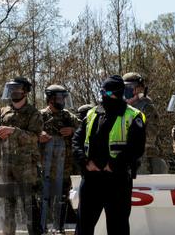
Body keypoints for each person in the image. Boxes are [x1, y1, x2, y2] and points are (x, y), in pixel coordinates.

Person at [72, 75, 146, 235]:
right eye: (103, 92)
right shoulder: (92, 113)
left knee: (118, 227)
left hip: (117, 179)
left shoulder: (133, 115)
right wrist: (84, 161)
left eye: (108, 93)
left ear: (119, 93)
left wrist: (113, 165)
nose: (104, 96)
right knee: (83, 227)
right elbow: (76, 141)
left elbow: (136, 147)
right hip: (91, 178)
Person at [0, 76, 44, 235]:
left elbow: (35, 137)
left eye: (17, 88)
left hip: (26, 167)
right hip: (5, 166)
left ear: (25, 91)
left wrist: (14, 131)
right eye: (11, 88)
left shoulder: (33, 113)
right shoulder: (1, 112)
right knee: (7, 205)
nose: (14, 91)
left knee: (29, 205)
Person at [39, 84, 79, 234]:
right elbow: (30, 133)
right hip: (45, 166)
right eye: (59, 98)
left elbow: (84, 128)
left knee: (62, 197)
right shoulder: (40, 115)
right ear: (50, 99)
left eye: (63, 98)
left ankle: (59, 228)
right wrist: (38, 135)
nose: (62, 101)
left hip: (65, 167)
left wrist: (73, 130)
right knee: (44, 198)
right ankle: (42, 228)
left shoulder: (68, 116)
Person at [122, 72, 165, 174]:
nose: (127, 91)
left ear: (139, 89)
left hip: (145, 159)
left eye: (131, 87)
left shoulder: (146, 108)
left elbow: (150, 136)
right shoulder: (123, 108)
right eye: (125, 87)